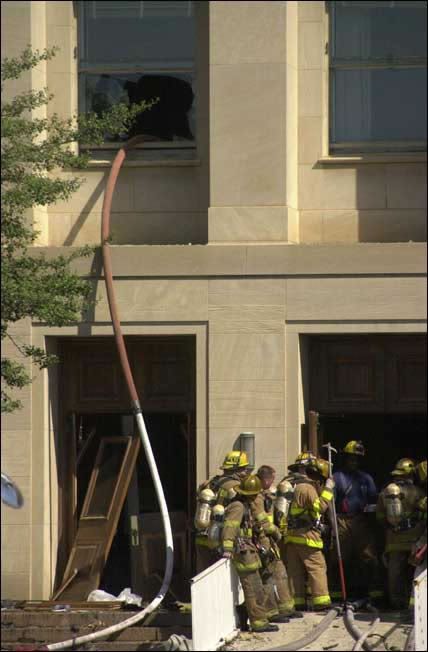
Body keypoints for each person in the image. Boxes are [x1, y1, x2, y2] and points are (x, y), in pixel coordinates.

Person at [222, 474, 286, 633]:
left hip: (250, 551)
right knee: (253, 589)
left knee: (257, 588)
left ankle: (251, 616)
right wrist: (228, 549)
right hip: (243, 553)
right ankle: (259, 623)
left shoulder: (246, 505)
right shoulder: (238, 506)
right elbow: (230, 527)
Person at [328, 440, 383, 604]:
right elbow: (329, 504)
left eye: (357, 458)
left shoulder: (366, 479)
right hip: (342, 520)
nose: (354, 461)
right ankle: (338, 595)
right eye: (351, 458)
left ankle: (374, 595)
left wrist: (373, 524)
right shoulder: (337, 477)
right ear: (345, 458)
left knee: (368, 558)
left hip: (361, 521)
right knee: (339, 559)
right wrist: (333, 526)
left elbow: (374, 502)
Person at [284, 453, 334, 611]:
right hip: (307, 536)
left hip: (290, 537)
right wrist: (328, 489)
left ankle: (297, 602)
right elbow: (320, 507)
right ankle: (321, 602)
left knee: (294, 571)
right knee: (317, 567)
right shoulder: (306, 487)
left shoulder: (286, 483)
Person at [253, 465, 303, 619]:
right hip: (262, 539)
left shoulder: (266, 494)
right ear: (266, 480)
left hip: (271, 540)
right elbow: (260, 520)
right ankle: (271, 612)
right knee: (267, 575)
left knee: (280, 572)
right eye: (272, 479)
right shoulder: (255, 497)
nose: (273, 482)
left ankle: (287, 607)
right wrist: (275, 532)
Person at [376, 458, 426, 610]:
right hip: (415, 541)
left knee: (395, 574)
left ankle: (397, 604)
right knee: (415, 573)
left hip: (394, 541)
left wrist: (390, 528)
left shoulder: (386, 492)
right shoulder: (419, 492)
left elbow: (380, 517)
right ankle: (416, 605)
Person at [194, 450, 249, 573]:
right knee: (220, 580)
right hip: (220, 541)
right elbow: (235, 518)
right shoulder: (237, 487)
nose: (246, 472)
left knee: (204, 577)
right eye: (244, 468)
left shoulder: (208, 483)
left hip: (202, 537)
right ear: (237, 469)